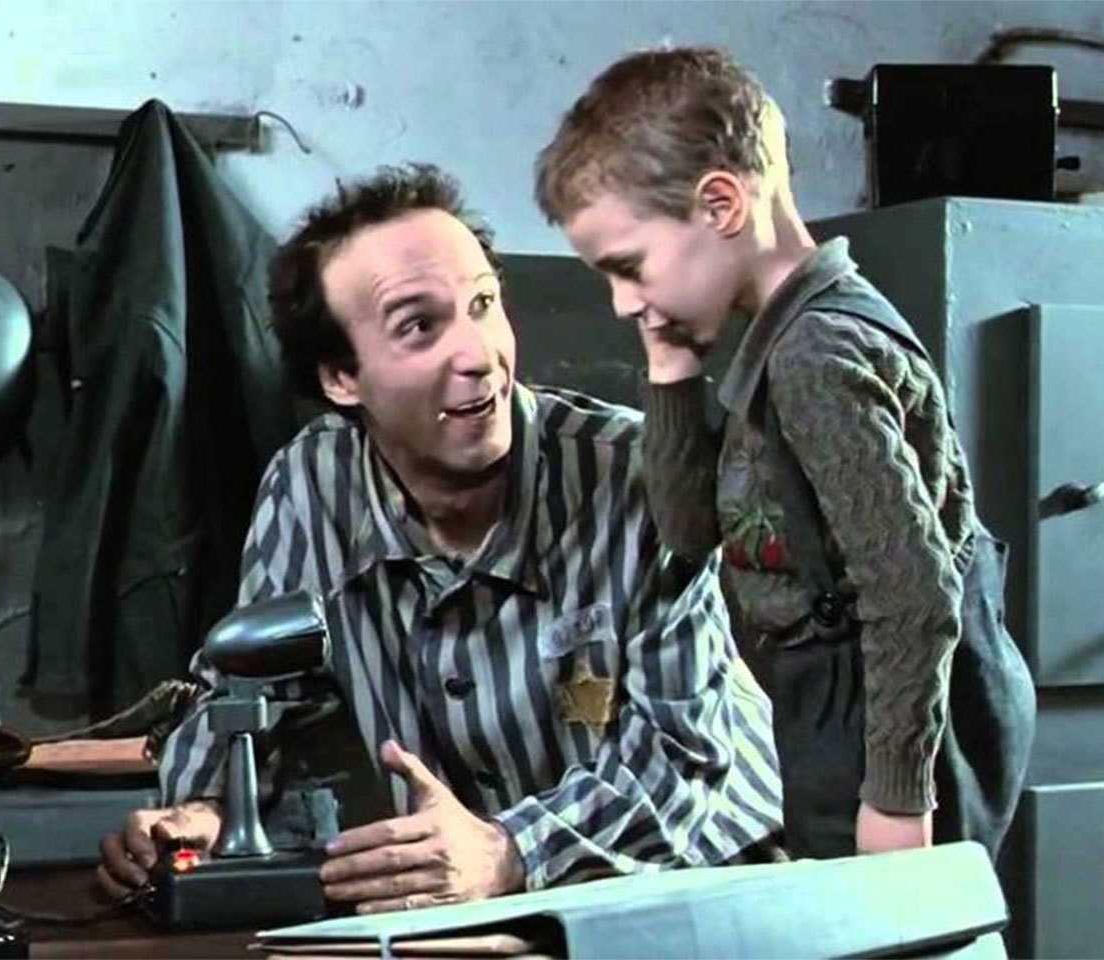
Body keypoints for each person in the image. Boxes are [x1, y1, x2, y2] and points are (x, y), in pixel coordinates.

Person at [97, 163, 785, 914]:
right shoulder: (311, 486)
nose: (479, 355)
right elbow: (250, 690)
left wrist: (510, 850)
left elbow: (682, 760)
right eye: (419, 326)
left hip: (716, 890)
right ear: (341, 378)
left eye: (483, 304)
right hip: (488, 909)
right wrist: (206, 808)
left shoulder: (640, 479)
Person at [534, 46, 1035, 861]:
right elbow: (691, 533)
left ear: (721, 204)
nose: (623, 302)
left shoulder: (815, 354)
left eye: (630, 268)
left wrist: (896, 801)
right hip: (826, 711)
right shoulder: (779, 344)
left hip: (883, 729)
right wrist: (671, 369)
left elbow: (914, 593)